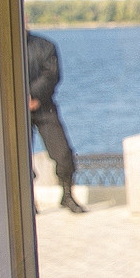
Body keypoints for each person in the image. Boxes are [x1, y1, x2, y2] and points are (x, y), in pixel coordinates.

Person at [26, 26, 87, 215]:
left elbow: (52, 75)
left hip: (44, 106)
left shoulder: (45, 46)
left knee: (63, 154)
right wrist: (20, 97)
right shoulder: (3, 48)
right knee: (16, 156)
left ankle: (67, 196)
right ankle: (26, 199)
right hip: (14, 109)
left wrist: (33, 96)